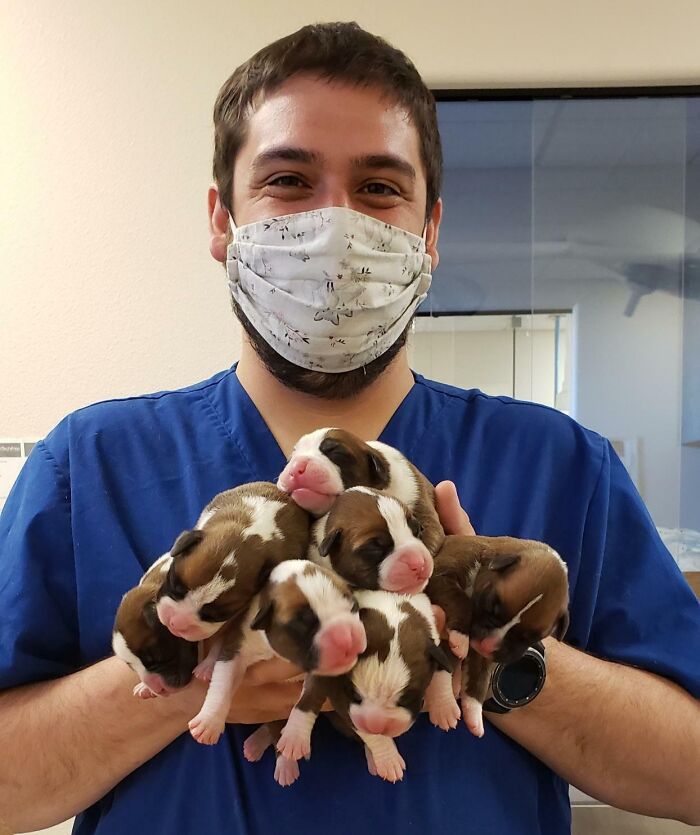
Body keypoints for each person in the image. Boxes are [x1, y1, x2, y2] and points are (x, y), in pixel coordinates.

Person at [1, 21, 699, 835]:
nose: (335, 225)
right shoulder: (91, 467)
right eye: (289, 180)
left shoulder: (560, 464)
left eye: (377, 189)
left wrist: (494, 652)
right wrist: (189, 671)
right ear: (222, 222)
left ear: (429, 231)